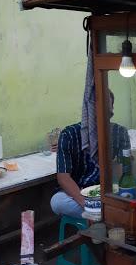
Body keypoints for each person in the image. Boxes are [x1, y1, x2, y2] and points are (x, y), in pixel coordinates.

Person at [50, 90, 130, 219]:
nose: (101, 114)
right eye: (96, 109)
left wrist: (115, 192)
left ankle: (101, 216)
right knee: (57, 202)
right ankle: (103, 216)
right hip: (77, 193)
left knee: (132, 196)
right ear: (87, 110)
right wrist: (85, 203)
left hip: (107, 191)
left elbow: (123, 172)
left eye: (107, 109)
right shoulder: (69, 135)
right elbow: (63, 177)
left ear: (112, 110)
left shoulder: (119, 132)